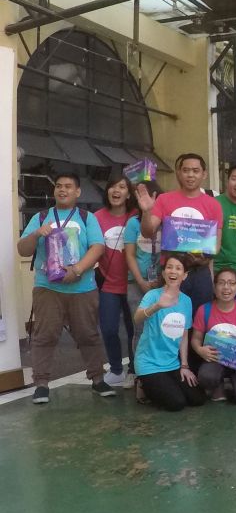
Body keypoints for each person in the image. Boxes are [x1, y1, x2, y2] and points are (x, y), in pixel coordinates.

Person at [17, 173, 117, 404]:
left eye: (68, 186)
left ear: (77, 192)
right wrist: (36, 233)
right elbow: (23, 249)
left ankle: (98, 379)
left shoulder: (86, 217)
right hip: (48, 288)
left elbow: (98, 247)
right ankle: (41, 384)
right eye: (59, 186)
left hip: (82, 288)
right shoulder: (41, 217)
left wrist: (77, 270)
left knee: (88, 334)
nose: (63, 190)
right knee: (44, 336)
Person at [136, 153, 224, 320]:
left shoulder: (214, 205)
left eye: (195, 171)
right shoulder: (164, 199)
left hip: (200, 272)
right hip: (172, 271)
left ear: (204, 174)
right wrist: (146, 212)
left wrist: (202, 257)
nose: (190, 175)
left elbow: (216, 245)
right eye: (186, 170)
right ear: (178, 172)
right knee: (170, 320)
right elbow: (148, 232)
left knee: (200, 320)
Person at [134, 254, 205, 411]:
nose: (173, 271)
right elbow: (137, 318)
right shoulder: (152, 295)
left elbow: (184, 335)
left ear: (184, 275)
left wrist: (184, 366)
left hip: (172, 364)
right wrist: (157, 306)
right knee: (177, 403)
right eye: (169, 267)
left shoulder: (186, 301)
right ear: (164, 272)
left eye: (178, 268)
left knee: (197, 399)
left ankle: (163, 384)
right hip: (149, 364)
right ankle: (142, 383)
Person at [191, 268, 236, 405]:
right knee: (206, 377)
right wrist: (200, 350)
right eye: (221, 283)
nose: (226, 287)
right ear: (214, 287)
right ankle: (218, 385)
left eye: (231, 283)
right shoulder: (204, 310)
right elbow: (196, 338)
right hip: (215, 358)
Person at [95, 174, 137, 387]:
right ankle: (116, 368)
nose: (116, 190)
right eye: (112, 186)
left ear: (129, 194)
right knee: (109, 328)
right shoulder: (97, 217)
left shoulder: (136, 216)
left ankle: (134, 369)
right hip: (109, 284)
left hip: (133, 283)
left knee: (134, 329)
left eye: (122, 187)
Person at [124, 180, 163, 389]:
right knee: (139, 329)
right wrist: (141, 281)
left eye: (148, 195)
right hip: (136, 283)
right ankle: (139, 372)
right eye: (139, 195)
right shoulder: (132, 223)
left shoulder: (166, 221)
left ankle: (161, 370)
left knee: (162, 327)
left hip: (163, 283)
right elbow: (130, 255)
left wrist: (162, 280)